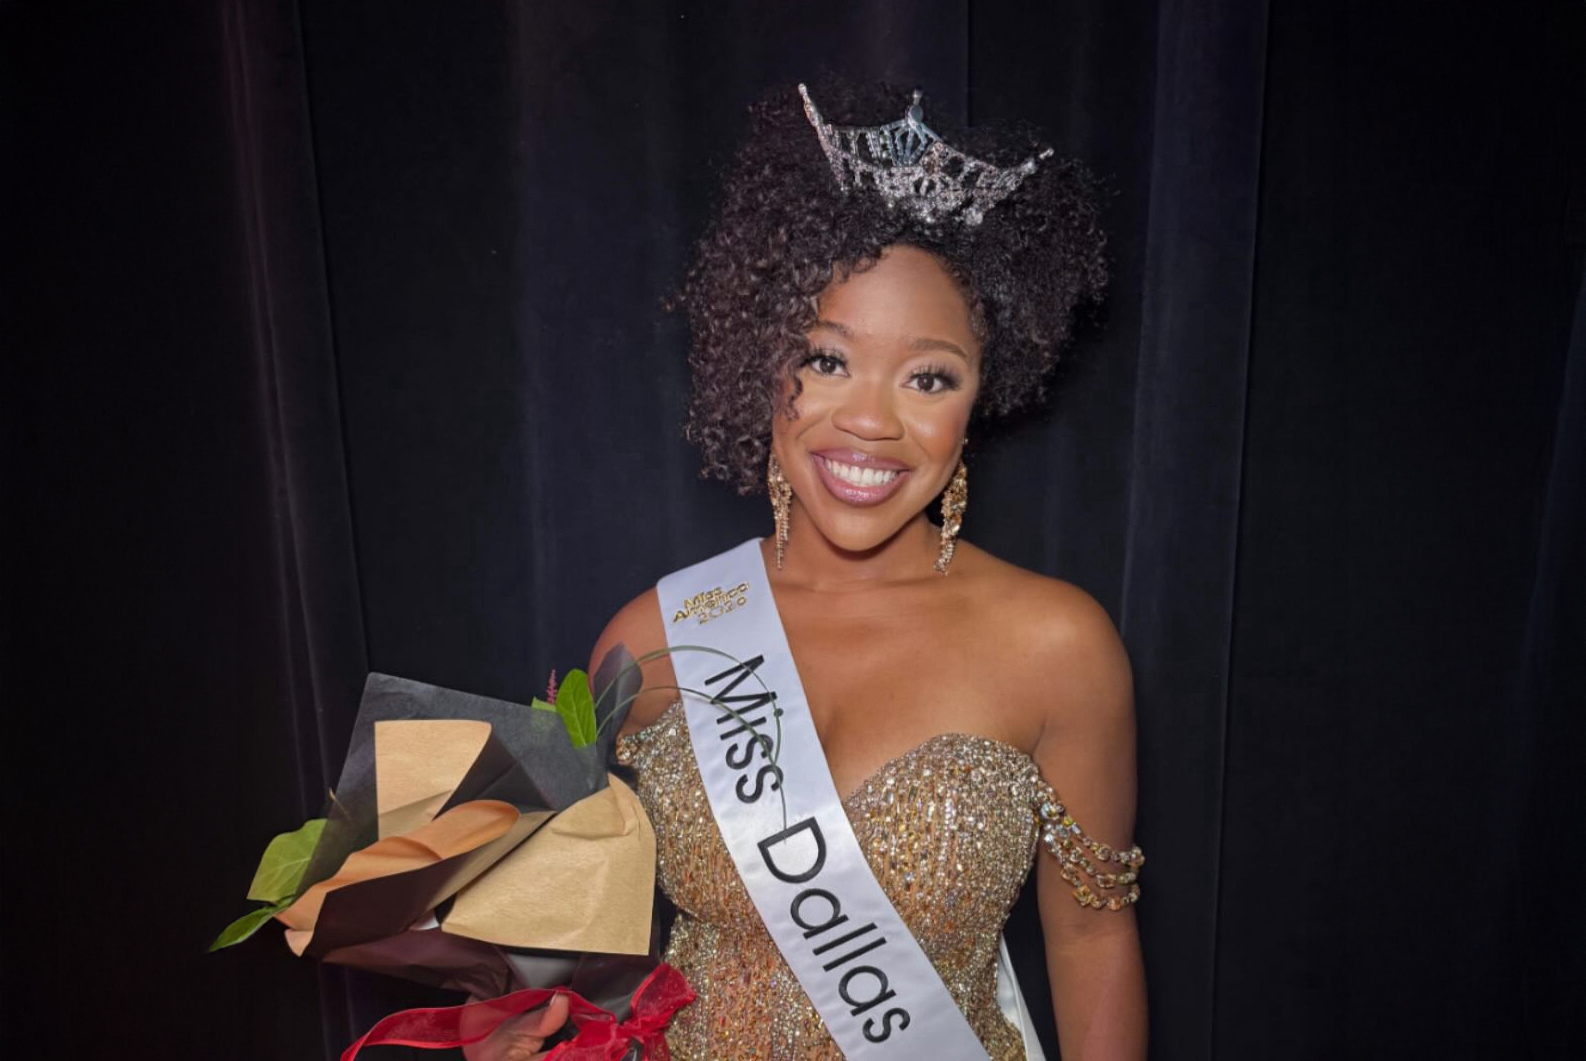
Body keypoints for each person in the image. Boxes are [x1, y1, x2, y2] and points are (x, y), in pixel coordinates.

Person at [468, 79, 1145, 1061]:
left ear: (978, 397)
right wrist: (509, 1011)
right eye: (826, 359)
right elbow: (548, 924)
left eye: (927, 376)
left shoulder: (1056, 643)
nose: (870, 419)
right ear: (761, 362)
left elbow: (1092, 936)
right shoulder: (655, 631)